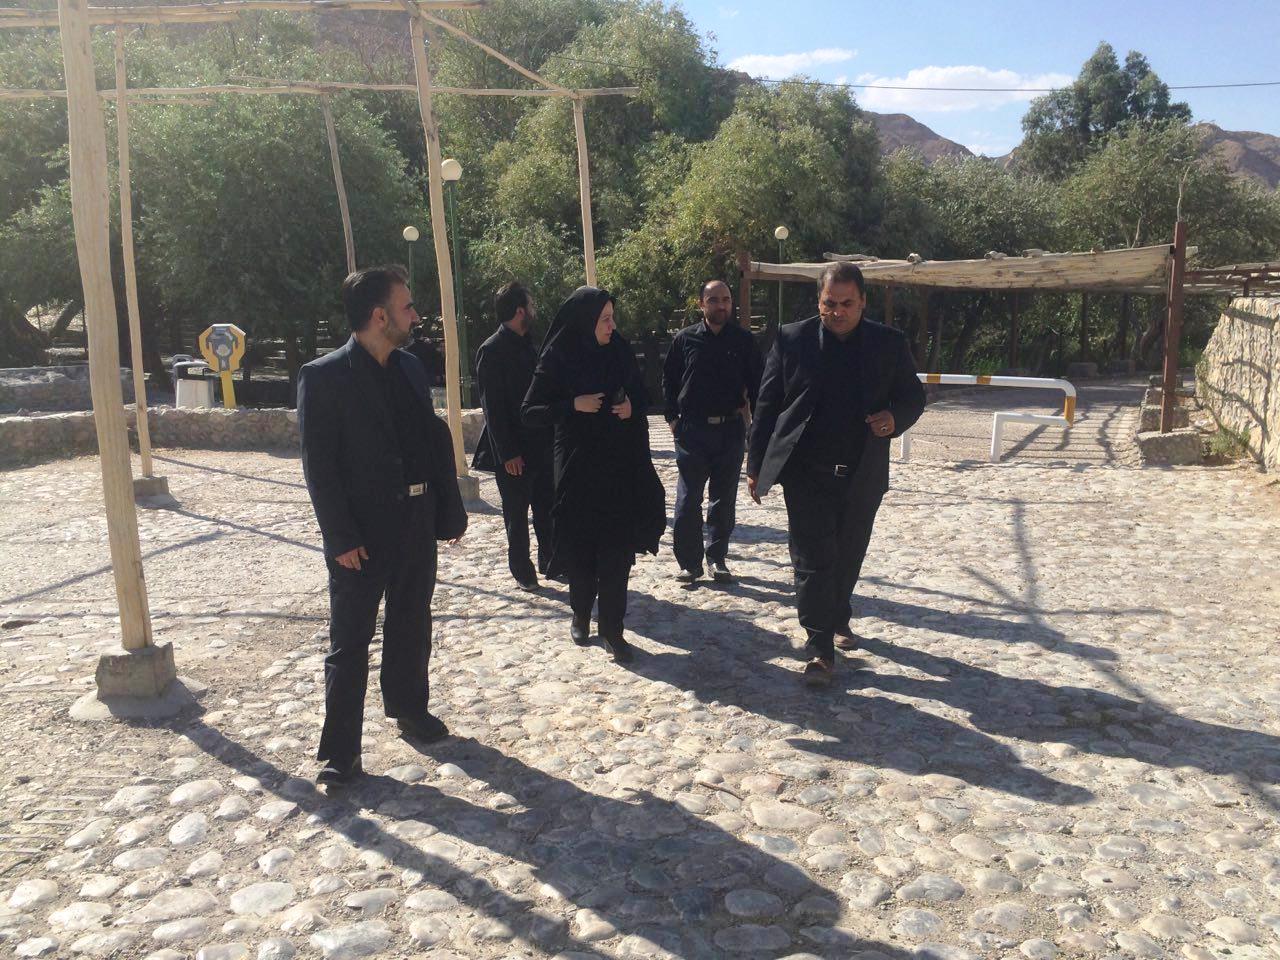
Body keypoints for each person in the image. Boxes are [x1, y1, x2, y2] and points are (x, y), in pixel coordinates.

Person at [297, 265, 467, 785]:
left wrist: (447, 510)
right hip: (361, 535)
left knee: (412, 622)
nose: (415, 315)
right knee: (350, 642)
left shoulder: (410, 368)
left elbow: (430, 442)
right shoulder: (323, 376)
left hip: (415, 519)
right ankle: (340, 752)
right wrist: (340, 538)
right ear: (379, 316)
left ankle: (410, 708)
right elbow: (319, 467)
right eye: (407, 307)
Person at [746, 261, 925, 688]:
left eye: (847, 304)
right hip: (805, 473)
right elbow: (767, 404)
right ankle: (819, 648)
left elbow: (912, 396)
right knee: (811, 560)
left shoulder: (889, 343)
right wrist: (755, 465)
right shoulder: (792, 339)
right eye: (830, 303)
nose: (837, 311)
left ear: (863, 302)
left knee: (847, 555)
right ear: (819, 301)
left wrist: (894, 419)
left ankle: (838, 614)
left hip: (861, 473)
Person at [522, 286, 665, 663]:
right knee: (581, 549)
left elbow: (643, 393)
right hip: (577, 465)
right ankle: (581, 613)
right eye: (604, 319)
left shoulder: (619, 349)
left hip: (619, 465)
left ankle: (613, 630)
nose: (612, 325)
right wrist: (573, 404)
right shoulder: (559, 354)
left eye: (612, 317)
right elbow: (531, 411)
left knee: (617, 550)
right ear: (586, 321)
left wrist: (631, 406)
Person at [663, 280, 763, 583]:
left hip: (730, 430)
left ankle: (717, 558)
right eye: (714, 300)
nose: (721, 305)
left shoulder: (744, 341)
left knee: (723, 499)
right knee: (688, 499)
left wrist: (757, 429)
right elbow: (669, 382)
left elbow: (758, 387)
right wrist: (673, 419)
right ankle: (689, 563)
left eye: (726, 299)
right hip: (692, 431)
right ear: (701, 304)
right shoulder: (684, 339)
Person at [472, 282, 553, 591]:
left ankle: (551, 560)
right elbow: (492, 408)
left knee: (547, 507)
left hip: (540, 445)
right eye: (530, 305)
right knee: (517, 515)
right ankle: (522, 570)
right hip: (514, 451)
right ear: (520, 310)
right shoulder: (491, 350)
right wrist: (507, 453)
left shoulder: (530, 346)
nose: (533, 310)